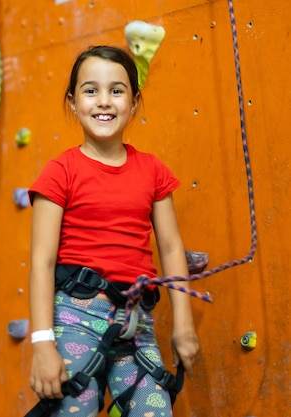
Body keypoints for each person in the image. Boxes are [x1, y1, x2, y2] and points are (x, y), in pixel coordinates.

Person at [27, 45, 200, 416]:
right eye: (91, 91)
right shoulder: (60, 172)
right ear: (73, 102)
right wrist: (43, 344)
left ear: (134, 102)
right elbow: (41, 262)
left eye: (116, 91)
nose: (104, 101)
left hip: (137, 325)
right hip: (75, 320)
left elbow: (171, 249)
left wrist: (183, 325)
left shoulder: (153, 172)